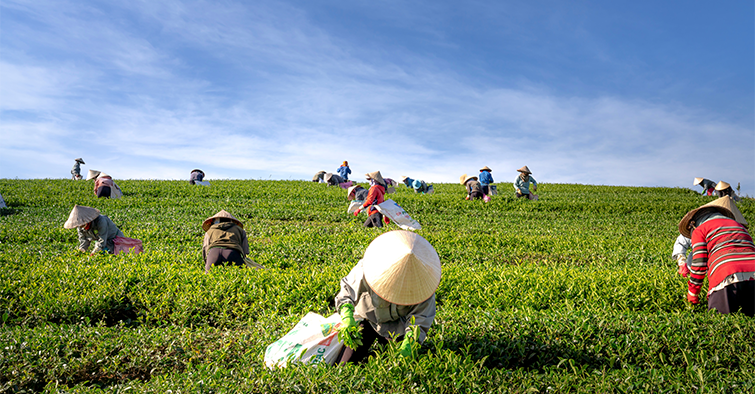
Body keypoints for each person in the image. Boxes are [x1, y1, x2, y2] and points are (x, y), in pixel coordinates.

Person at [335, 230, 441, 363]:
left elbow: (420, 320)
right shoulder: (368, 267)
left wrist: (410, 342)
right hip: (368, 319)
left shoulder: (424, 287)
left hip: (397, 326)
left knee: (399, 367)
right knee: (345, 363)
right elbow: (347, 290)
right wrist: (346, 315)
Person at [678, 196, 755, 315]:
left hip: (727, 276)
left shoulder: (700, 229)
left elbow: (699, 263)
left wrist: (693, 294)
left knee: (720, 323)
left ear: (694, 224)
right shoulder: (739, 226)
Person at [202, 210, 250, 274]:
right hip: (232, 252)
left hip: (214, 253)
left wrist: (207, 262)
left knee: (207, 277)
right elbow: (245, 249)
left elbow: (205, 247)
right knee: (242, 275)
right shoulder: (240, 230)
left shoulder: (209, 231)